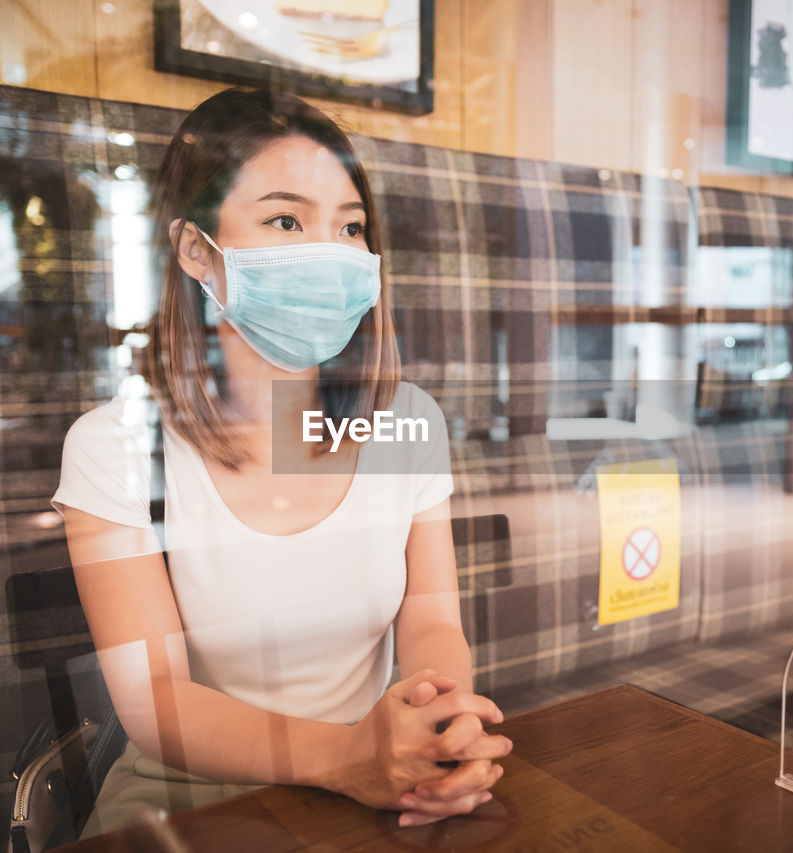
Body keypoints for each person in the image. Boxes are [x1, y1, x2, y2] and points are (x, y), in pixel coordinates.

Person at [50, 87, 511, 838]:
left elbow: (430, 618)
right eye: (286, 219)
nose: (330, 251)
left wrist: (439, 727)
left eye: (351, 226)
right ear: (198, 251)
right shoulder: (114, 448)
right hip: (188, 802)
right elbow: (155, 697)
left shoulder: (404, 423)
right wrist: (349, 756)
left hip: (378, 785)